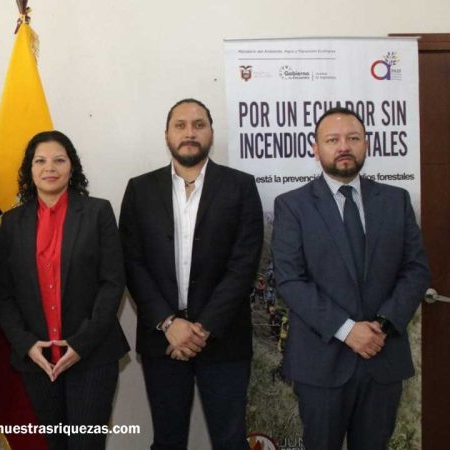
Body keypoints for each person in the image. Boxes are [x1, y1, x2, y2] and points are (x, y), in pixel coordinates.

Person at [272, 107, 431, 450]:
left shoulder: (396, 201)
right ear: (315, 148)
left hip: (382, 357)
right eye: (333, 140)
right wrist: (348, 330)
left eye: (353, 138)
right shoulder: (292, 206)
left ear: (367, 145)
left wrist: (382, 326)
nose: (344, 146)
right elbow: (290, 280)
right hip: (321, 363)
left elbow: (416, 270)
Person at [119, 99, 263, 449]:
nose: (190, 133)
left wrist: (202, 328)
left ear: (211, 133)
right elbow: (131, 262)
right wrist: (170, 324)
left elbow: (243, 265)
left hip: (225, 337)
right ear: (166, 135)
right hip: (162, 340)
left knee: (230, 440)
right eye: (180, 125)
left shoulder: (240, 186)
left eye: (199, 124)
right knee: (168, 441)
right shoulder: (140, 189)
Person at [0, 130, 129, 450]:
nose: (49, 167)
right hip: (38, 359)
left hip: (91, 356)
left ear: (72, 167)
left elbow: (113, 282)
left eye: (58, 160)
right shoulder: (11, 223)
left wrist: (81, 343)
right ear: (29, 169)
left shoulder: (98, 212)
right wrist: (26, 344)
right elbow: (4, 293)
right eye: (40, 160)